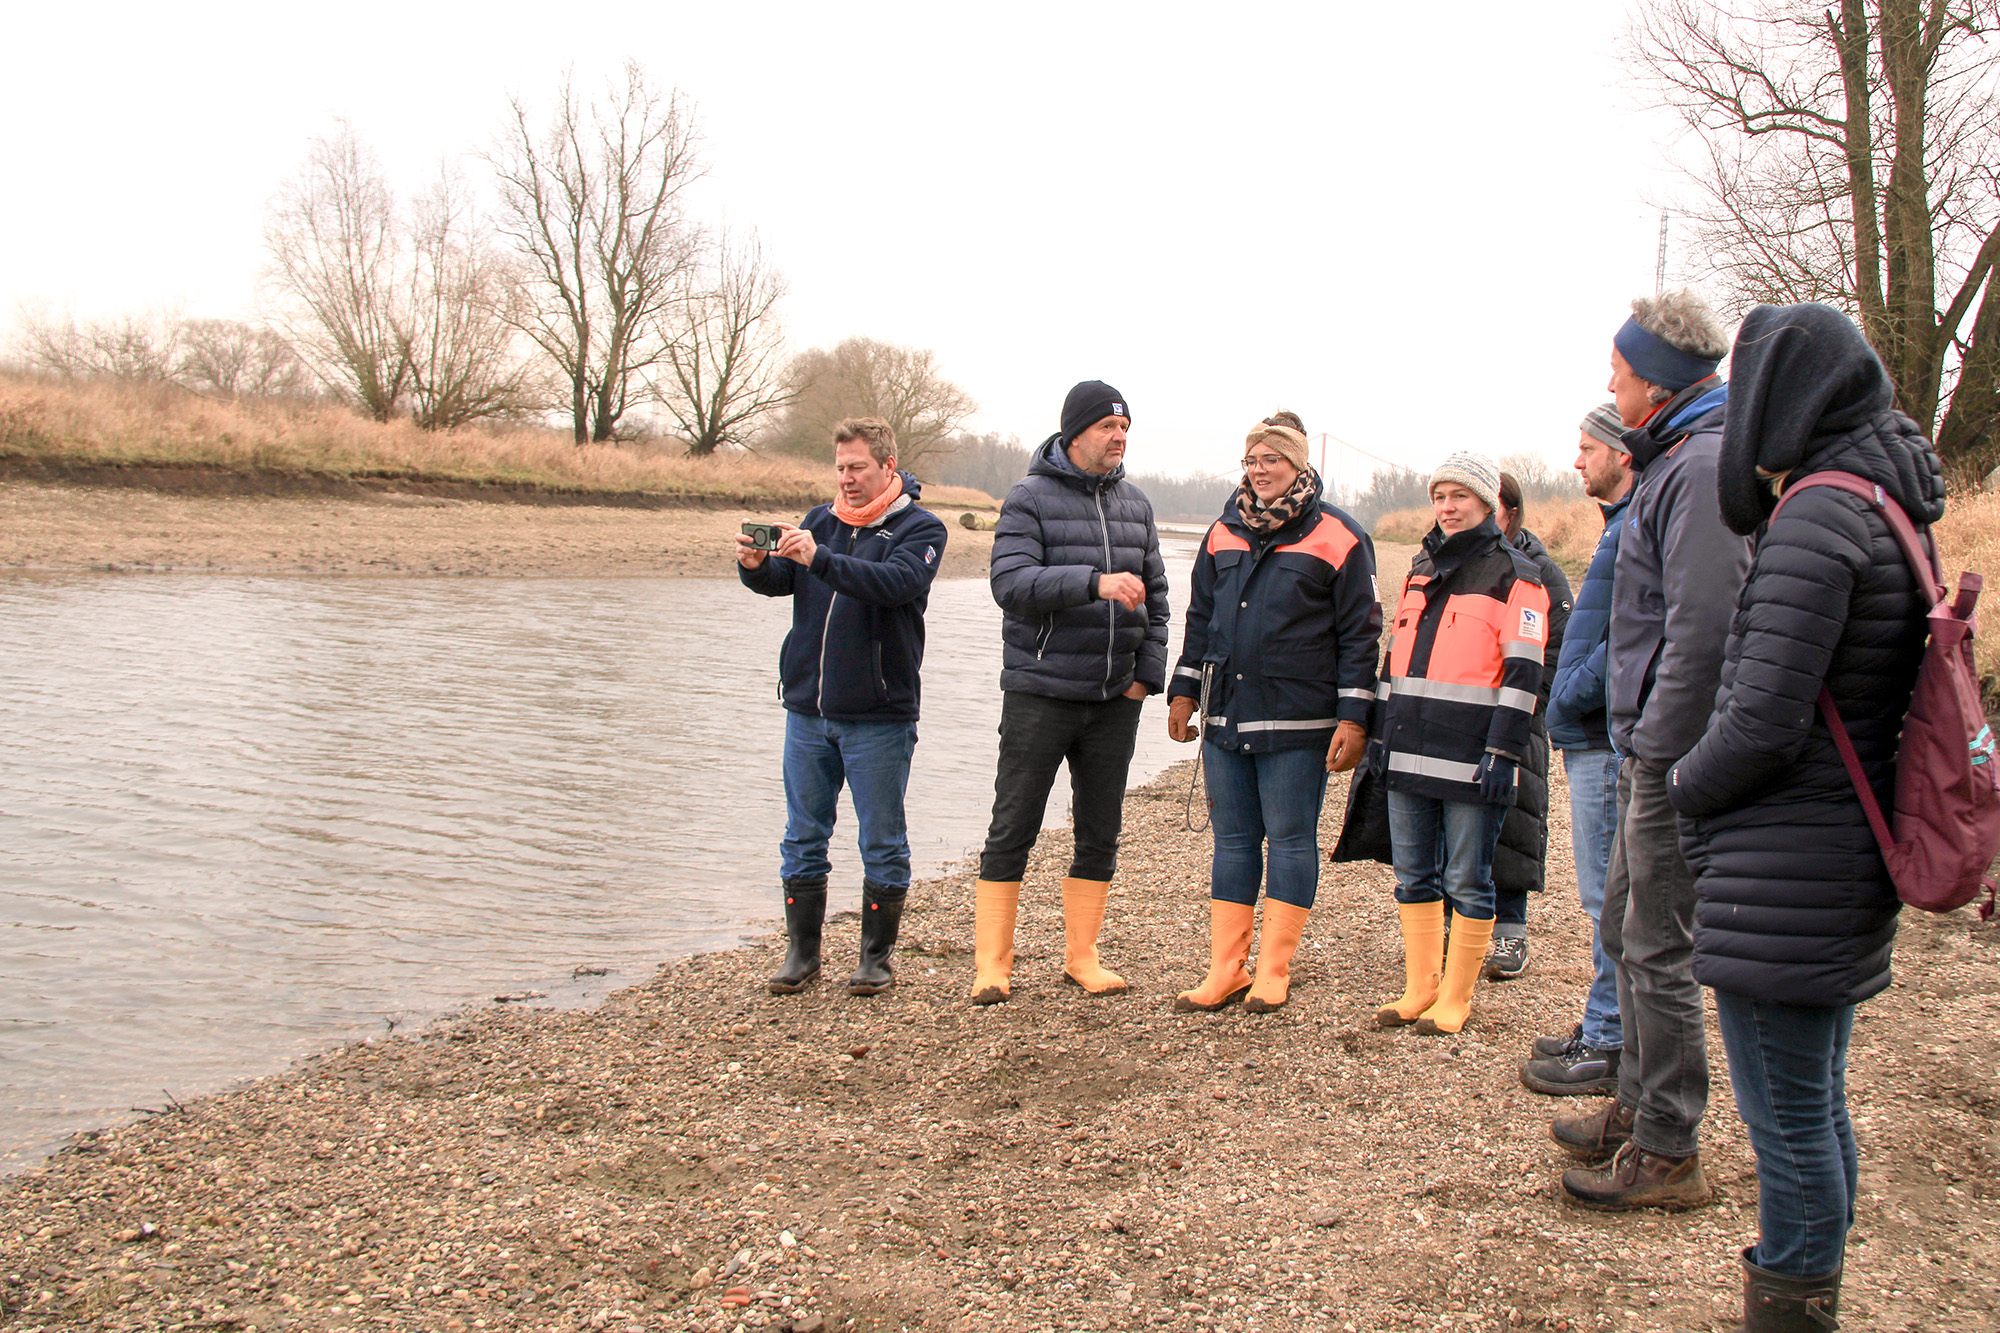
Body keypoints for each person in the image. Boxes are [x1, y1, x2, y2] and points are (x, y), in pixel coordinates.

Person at [1670, 304, 1944, 1329]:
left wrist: (1680, 786)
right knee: (1813, 1101)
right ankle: (1804, 1294)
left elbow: (1760, 722)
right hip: (1839, 852)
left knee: (1785, 1115)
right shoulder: (1886, 503)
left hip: (1787, 863)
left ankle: (1790, 1305)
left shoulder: (1817, 516)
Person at [1557, 289, 1746, 1210]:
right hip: (1646, 746)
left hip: (1665, 754)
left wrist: (1659, 749)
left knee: (1658, 947)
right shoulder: (1677, 456)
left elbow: (1703, 632)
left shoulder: (1701, 467)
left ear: (1658, 383)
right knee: (1627, 931)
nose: (1610, 384)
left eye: (1620, 372)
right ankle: (1636, 1106)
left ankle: (1670, 1148)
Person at [1165, 412, 1380, 1013]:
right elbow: (1199, 619)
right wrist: (1183, 689)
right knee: (1233, 843)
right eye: (1252, 460)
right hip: (1226, 716)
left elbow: (1361, 636)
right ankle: (1225, 969)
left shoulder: (1341, 536)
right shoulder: (1221, 531)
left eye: (1273, 460)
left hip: (1299, 721)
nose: (1260, 471)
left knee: (1289, 841)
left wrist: (1354, 718)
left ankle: (1273, 970)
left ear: (1299, 465)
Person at [970, 381, 1170, 1005]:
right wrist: (1094, 582)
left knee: (1100, 831)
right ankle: (992, 966)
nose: (1119, 438)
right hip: (1041, 691)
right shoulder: (1028, 497)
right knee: (1014, 825)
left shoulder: (1136, 505)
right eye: (1109, 428)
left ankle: (1082, 958)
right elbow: (1011, 582)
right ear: (1076, 432)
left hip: (1115, 698)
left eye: (1126, 429)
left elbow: (1159, 601)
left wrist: (1146, 677)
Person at [737, 416, 948, 998]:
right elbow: (787, 580)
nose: (847, 479)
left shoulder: (922, 528)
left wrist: (818, 559)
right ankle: (802, 955)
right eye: (839, 468)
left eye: (857, 468)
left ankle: (875, 959)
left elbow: (894, 584)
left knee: (881, 839)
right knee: (803, 835)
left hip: (879, 714)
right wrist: (756, 568)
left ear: (887, 466)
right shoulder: (819, 520)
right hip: (807, 709)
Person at [1371, 451, 1550, 1036]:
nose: (1448, 508)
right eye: (1440, 497)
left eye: (1461, 498)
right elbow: (1395, 661)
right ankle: (1420, 987)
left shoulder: (1519, 577)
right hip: (1408, 746)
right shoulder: (1420, 570)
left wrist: (1503, 753)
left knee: (1468, 879)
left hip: (1474, 756)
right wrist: (1379, 733)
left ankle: (1457, 994)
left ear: (1486, 505)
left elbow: (1525, 676)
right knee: (1413, 876)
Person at [1521, 404, 1633, 1097]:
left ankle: (1608, 1037)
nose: (1577, 460)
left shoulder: (1640, 522)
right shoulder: (1620, 524)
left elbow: (1633, 637)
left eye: (1588, 447)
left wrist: (1568, 695)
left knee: (1610, 896)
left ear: (1623, 453)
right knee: (1605, 894)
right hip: (1595, 730)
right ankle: (1603, 1024)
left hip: (1603, 732)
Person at [1482, 471, 1572, 981]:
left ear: (1509, 511)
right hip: (1460, 716)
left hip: (1518, 718)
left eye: (1484, 502)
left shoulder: (1541, 571)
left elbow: (1559, 645)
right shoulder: (1443, 563)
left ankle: (1510, 932)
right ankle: (1459, 923)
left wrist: (1527, 706)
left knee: (1513, 824)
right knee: (1457, 828)